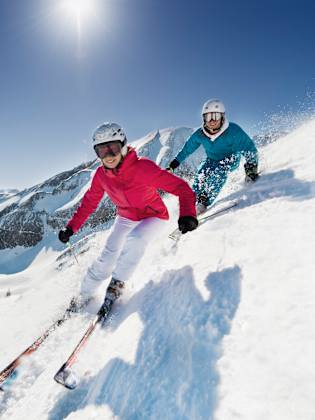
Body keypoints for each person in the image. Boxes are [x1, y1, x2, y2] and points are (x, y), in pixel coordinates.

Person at [58, 122, 198, 314]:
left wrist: (187, 213)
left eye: (112, 148)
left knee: (135, 240)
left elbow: (182, 188)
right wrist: (71, 228)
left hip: (154, 216)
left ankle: (117, 285)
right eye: (101, 151)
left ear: (123, 145)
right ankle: (84, 294)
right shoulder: (101, 175)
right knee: (107, 256)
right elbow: (89, 203)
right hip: (126, 217)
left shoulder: (143, 168)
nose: (108, 156)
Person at [168, 99, 259, 214]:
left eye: (215, 116)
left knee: (219, 172)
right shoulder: (200, 134)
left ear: (222, 117)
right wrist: (175, 162)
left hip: (230, 158)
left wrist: (251, 168)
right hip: (211, 159)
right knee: (201, 175)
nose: (212, 121)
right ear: (203, 118)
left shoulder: (233, 130)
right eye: (208, 117)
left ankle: (203, 202)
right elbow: (187, 149)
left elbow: (248, 148)